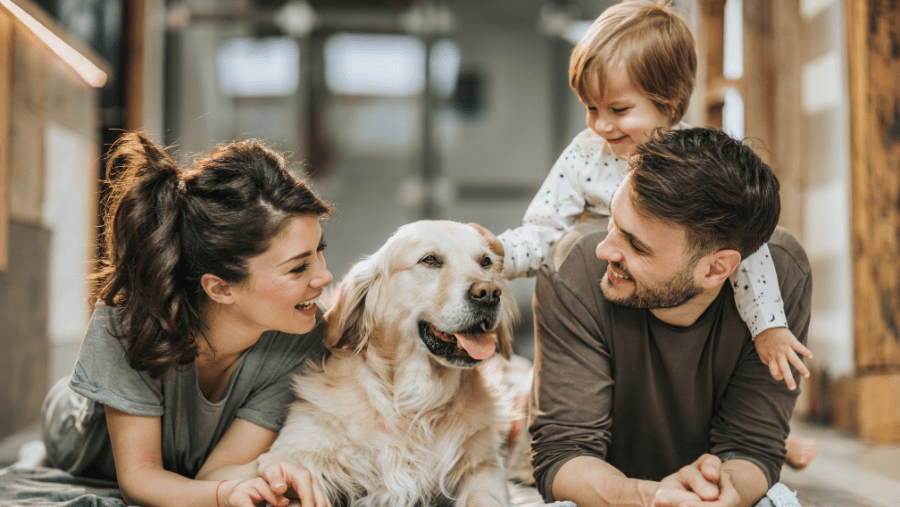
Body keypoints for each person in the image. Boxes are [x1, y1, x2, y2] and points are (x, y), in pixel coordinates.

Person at [469, 0, 813, 393]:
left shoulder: (696, 163)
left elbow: (745, 248)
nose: (601, 124)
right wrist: (501, 252)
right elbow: (543, 229)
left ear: (667, 102)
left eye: (618, 109)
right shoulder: (585, 154)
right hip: (616, 312)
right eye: (590, 108)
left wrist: (768, 325)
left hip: (683, 313)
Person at [41, 133, 334, 507]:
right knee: (62, 410)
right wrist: (223, 492)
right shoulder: (128, 319)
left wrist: (262, 473)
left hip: (187, 457)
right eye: (298, 267)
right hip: (78, 434)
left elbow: (217, 473)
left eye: (319, 251)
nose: (324, 277)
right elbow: (139, 479)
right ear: (221, 288)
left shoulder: (306, 338)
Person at [529, 127, 812, 507]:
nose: (604, 250)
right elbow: (562, 454)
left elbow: (753, 447)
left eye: (636, 245)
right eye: (613, 223)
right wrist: (650, 497)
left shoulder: (782, 274)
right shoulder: (574, 269)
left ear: (716, 270)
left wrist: (722, 489)